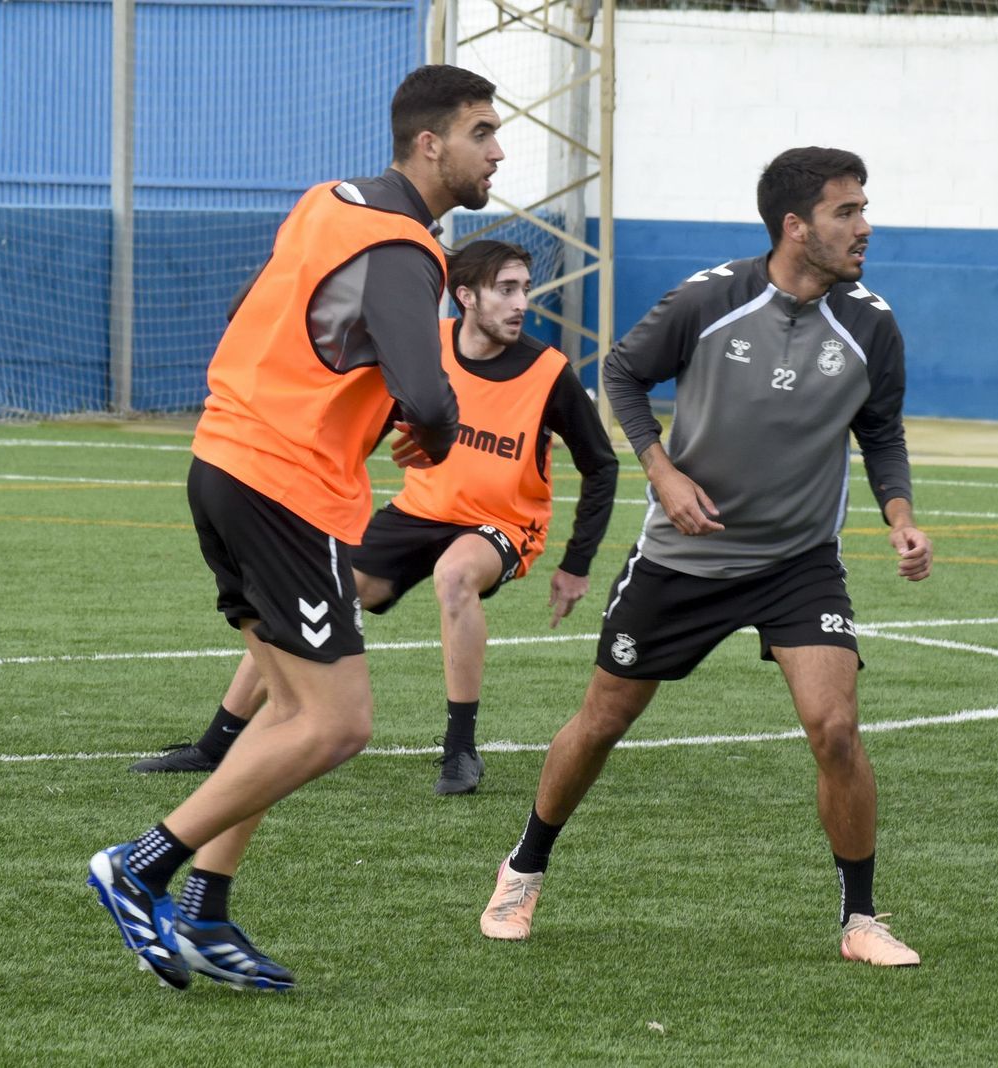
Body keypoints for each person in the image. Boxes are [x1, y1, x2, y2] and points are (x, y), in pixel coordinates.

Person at [87, 64, 503, 994]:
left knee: (284, 711)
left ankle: (206, 908)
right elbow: (432, 391)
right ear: (430, 144)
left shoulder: (327, 203)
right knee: (338, 724)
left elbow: (251, 311)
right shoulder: (406, 247)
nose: (498, 151)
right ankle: (142, 865)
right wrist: (426, 437)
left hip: (225, 460)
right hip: (286, 488)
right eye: (483, 132)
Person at [478, 146, 934, 968]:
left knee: (834, 729)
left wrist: (899, 515)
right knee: (604, 720)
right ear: (796, 227)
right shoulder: (710, 299)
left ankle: (861, 918)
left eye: (864, 208)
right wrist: (661, 469)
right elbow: (620, 370)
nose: (865, 226)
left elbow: (882, 431)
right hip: (683, 559)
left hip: (799, 562)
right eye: (847, 212)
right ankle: (524, 867)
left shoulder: (873, 323)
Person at [131, 240, 620, 795]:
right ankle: (216, 745)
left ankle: (460, 751)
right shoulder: (423, 348)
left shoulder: (547, 371)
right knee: (308, 595)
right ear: (465, 296)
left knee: (455, 576)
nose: (519, 303)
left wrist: (575, 564)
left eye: (524, 290)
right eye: (505, 289)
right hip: (417, 511)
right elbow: (370, 413)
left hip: (501, 525)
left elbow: (601, 466)